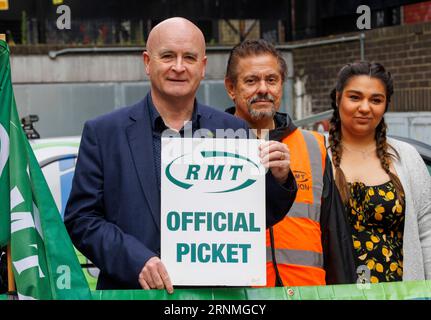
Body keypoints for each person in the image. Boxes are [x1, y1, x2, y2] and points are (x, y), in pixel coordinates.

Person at [64, 18, 297, 293]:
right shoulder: (104, 133)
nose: (178, 67)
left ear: (203, 66)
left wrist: (279, 180)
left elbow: (253, 219)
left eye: (189, 57)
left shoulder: (232, 130)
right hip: (132, 293)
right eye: (167, 56)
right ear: (147, 62)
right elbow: (82, 219)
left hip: (216, 298)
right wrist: (136, 260)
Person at [224, 39, 356, 286]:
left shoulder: (313, 146)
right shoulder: (210, 146)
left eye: (271, 80)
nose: (263, 89)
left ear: (282, 84)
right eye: (251, 81)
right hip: (243, 296)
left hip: (306, 291)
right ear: (231, 88)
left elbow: (335, 236)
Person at [328, 61, 431, 283]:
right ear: (338, 98)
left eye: (376, 100)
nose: (365, 107)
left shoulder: (407, 157)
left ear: (385, 105)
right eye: (355, 97)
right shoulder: (317, 155)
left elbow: (427, 233)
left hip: (402, 294)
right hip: (332, 293)